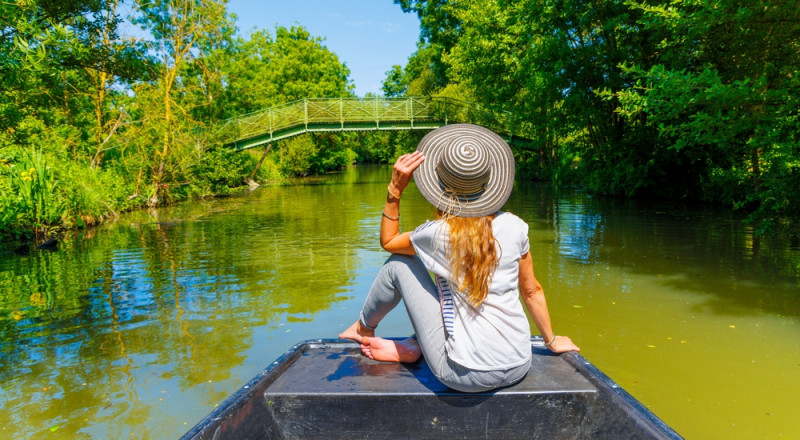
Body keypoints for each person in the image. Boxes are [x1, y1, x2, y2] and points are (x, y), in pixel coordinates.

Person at [339, 124, 579, 392]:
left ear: (438, 186)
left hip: (463, 375)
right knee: (457, 295)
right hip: (519, 364)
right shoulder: (516, 226)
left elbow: (388, 242)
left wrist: (394, 190)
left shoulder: (436, 234)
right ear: (488, 183)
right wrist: (552, 340)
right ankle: (415, 344)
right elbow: (532, 290)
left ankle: (364, 328)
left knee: (399, 264)